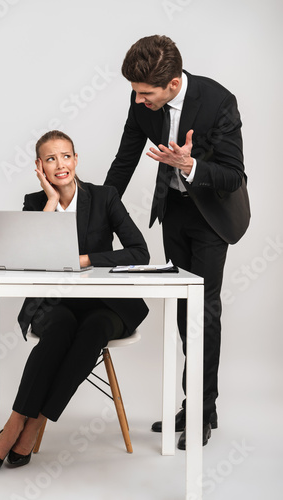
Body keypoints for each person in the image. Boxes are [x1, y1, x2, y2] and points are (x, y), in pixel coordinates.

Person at [104, 35, 250, 449]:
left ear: (172, 84)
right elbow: (124, 160)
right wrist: (93, 212)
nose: (137, 101)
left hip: (212, 215)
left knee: (203, 310)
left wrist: (190, 164)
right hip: (175, 213)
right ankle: (200, 403)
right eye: (134, 92)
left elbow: (233, 176)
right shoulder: (142, 102)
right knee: (186, 309)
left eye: (145, 94)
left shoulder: (219, 101)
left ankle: (202, 411)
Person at [0, 130, 150, 470]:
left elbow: (139, 252)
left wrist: (84, 259)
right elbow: (27, 258)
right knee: (58, 331)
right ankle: (17, 421)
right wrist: (51, 203)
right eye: (51, 158)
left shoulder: (105, 197)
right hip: (56, 303)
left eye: (66, 156)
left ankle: (34, 422)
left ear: (76, 159)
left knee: (93, 331)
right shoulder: (34, 202)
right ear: (40, 166)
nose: (61, 164)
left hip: (107, 304)